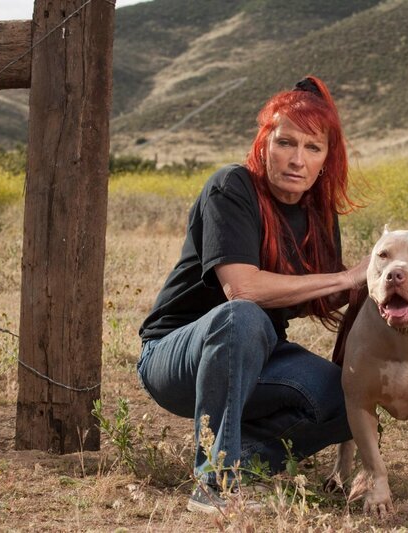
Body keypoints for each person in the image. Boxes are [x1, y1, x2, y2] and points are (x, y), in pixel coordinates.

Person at [137, 75, 368, 514]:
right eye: (286, 142)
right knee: (241, 314)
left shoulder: (318, 213)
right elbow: (241, 288)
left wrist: (380, 280)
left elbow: (314, 296)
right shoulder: (232, 186)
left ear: (326, 159)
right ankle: (213, 486)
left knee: (350, 399)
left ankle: (239, 463)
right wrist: (344, 278)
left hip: (257, 354)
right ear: (264, 143)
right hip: (176, 356)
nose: (297, 159)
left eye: (312, 148)